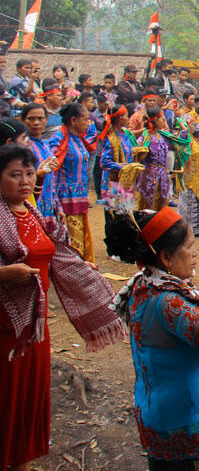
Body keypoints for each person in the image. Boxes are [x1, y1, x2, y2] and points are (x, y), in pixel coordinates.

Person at [0, 144, 126, 471]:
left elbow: (56, 253)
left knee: (27, 399)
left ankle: (21, 463)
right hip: (5, 328)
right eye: (15, 175)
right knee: (5, 398)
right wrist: (4, 273)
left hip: (34, 329)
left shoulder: (33, 212)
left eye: (29, 173)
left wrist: (84, 269)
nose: (25, 181)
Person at [107, 207, 199, 468]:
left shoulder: (142, 283)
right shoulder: (166, 300)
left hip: (155, 413)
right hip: (184, 419)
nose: (195, 253)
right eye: (189, 247)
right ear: (166, 257)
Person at [48, 103, 95, 261]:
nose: (88, 123)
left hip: (78, 196)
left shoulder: (79, 139)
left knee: (79, 238)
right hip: (65, 198)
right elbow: (50, 169)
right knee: (70, 241)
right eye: (86, 119)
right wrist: (56, 202)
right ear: (73, 120)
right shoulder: (59, 139)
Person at [99, 104, 136, 200]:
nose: (128, 119)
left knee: (127, 211)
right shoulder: (111, 138)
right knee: (115, 212)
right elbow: (104, 162)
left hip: (125, 180)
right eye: (126, 116)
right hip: (113, 181)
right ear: (120, 118)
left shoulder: (125, 134)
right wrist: (123, 166)